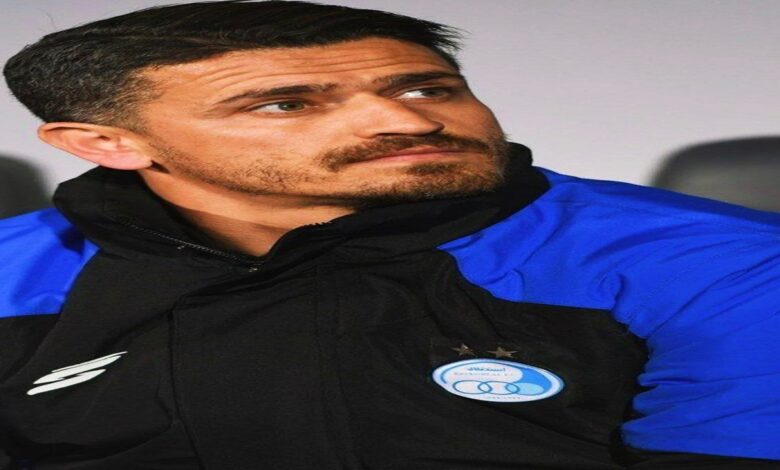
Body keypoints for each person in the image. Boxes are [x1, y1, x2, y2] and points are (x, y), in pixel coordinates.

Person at [0, 1, 778, 468]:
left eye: (427, 88)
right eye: (285, 104)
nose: (404, 121)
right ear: (106, 144)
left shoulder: (717, 262)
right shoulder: (16, 275)